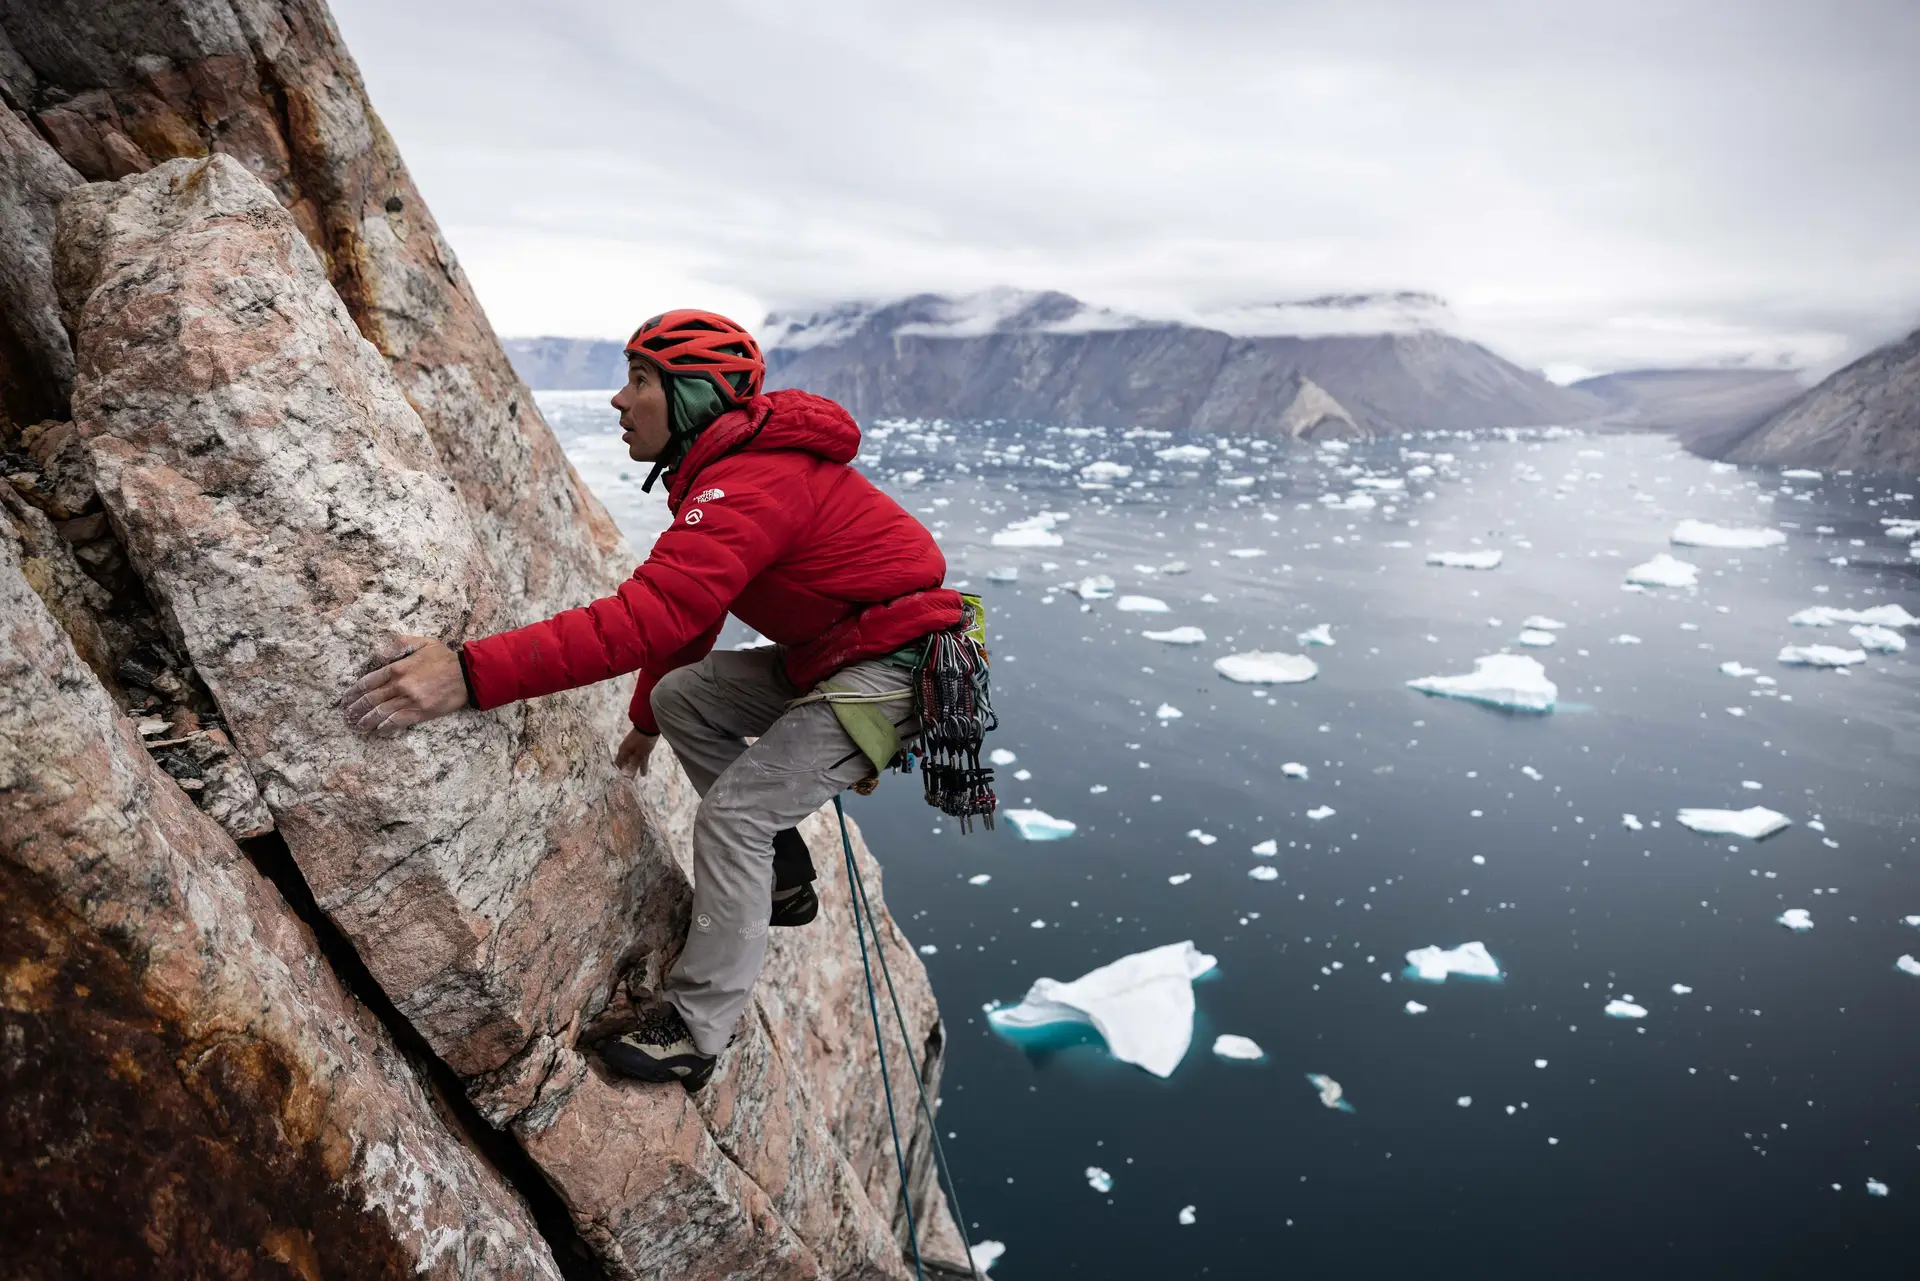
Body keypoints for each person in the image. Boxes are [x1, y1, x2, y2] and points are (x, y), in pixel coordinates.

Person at [341, 310, 964, 1091]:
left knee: (737, 812)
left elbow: (645, 616)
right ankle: (780, 879)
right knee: (684, 696)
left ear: (694, 395)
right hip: (840, 654)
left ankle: (696, 1030)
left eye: (640, 380)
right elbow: (690, 615)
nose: (618, 400)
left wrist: (468, 673)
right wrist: (645, 720)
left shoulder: (752, 480)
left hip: (888, 668)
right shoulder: (725, 472)